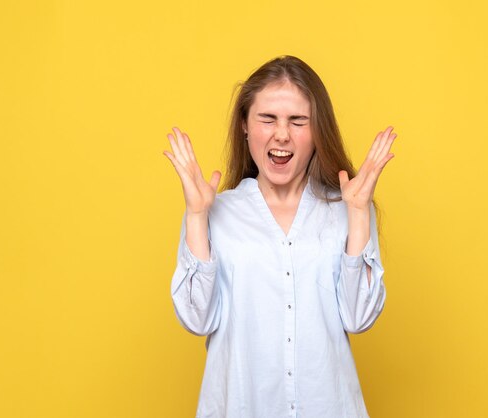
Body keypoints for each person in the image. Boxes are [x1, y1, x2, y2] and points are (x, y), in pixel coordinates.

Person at [163, 55, 397, 418]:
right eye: (267, 118)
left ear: (318, 130)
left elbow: (358, 317)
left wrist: (357, 213)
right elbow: (197, 320)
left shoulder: (347, 208)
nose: (282, 134)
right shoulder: (214, 212)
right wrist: (196, 216)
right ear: (244, 124)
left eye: (298, 121)